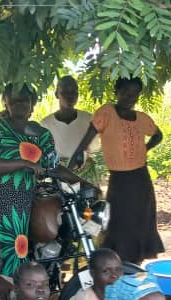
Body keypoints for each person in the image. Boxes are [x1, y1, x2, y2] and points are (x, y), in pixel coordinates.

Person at [0, 83, 89, 276]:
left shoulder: (42, 135)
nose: (20, 104)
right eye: (14, 100)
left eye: (25, 100)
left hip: (20, 208)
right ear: (6, 102)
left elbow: (54, 167)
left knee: (15, 259)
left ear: (33, 103)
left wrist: (83, 183)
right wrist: (25, 163)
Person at [71, 77, 164, 265]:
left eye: (135, 95)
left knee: (140, 223)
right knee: (117, 224)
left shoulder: (141, 118)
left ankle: (135, 266)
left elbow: (158, 135)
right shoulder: (106, 113)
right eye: (126, 93)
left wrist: (145, 149)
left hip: (141, 180)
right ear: (117, 92)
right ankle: (116, 266)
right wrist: (72, 163)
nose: (130, 98)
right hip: (119, 181)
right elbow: (85, 141)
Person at [40, 76, 98, 169]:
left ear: (78, 94)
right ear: (56, 94)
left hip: (84, 172)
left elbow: (93, 150)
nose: (69, 96)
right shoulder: (45, 124)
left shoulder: (89, 119)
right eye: (65, 92)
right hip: (57, 172)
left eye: (73, 92)